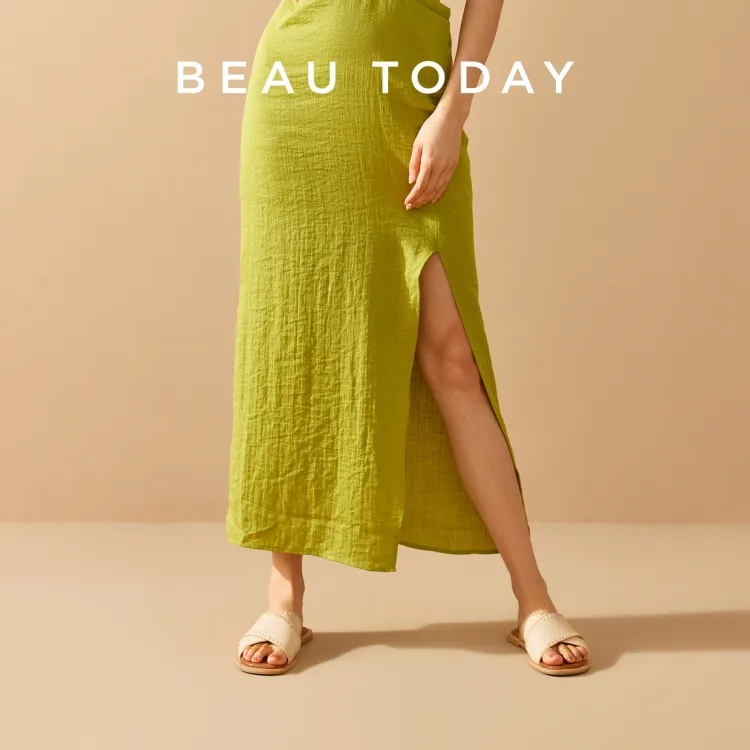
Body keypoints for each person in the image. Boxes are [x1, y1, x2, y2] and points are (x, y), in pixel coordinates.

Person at [227, 0, 590, 677]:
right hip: (297, 102)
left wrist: (454, 111)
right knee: (293, 342)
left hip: (414, 110)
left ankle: (533, 598)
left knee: (452, 358)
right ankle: (284, 597)